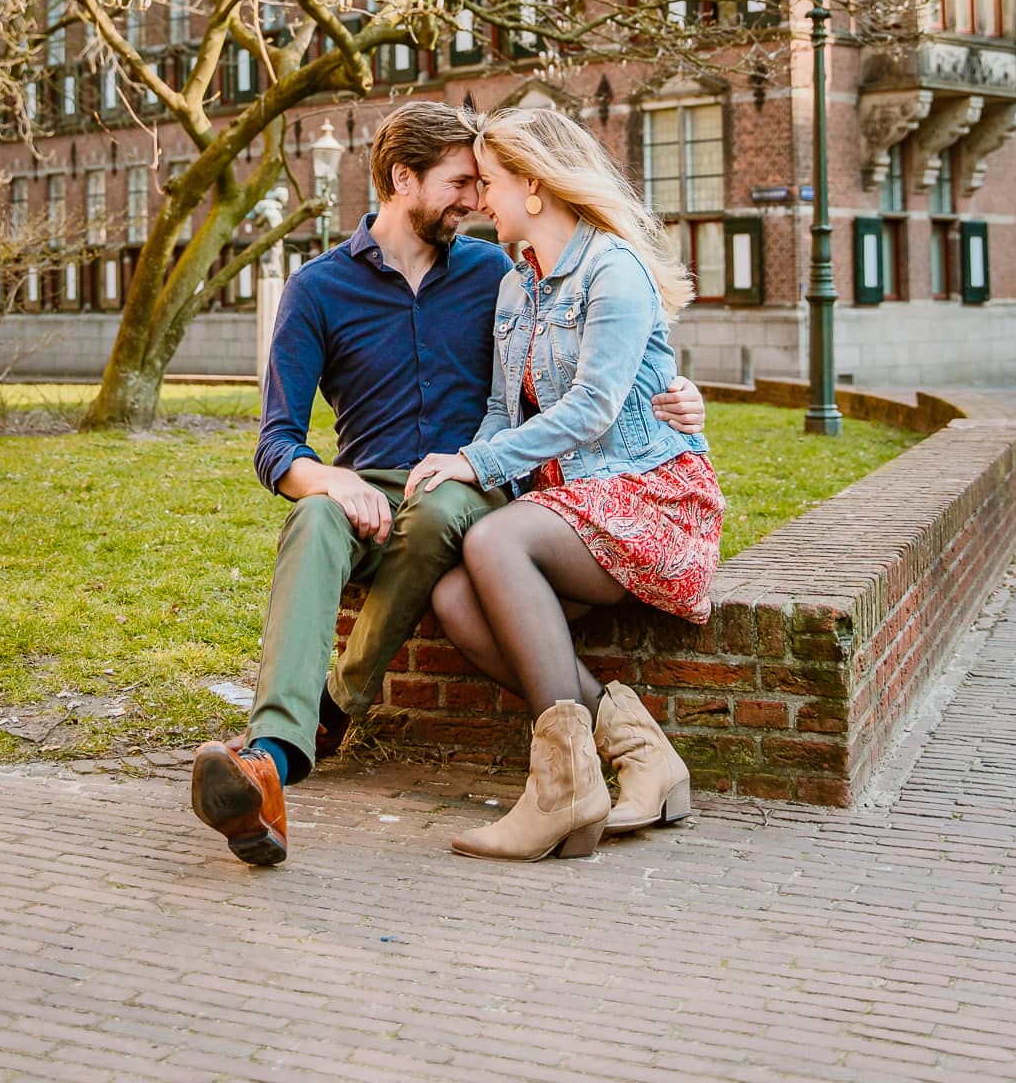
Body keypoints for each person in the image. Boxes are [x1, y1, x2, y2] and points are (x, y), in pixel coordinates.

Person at [190, 100, 707, 867]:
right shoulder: (320, 289)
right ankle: (270, 757)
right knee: (311, 523)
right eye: (461, 182)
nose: (474, 200)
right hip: (367, 483)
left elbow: (609, 371)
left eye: (483, 183)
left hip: (468, 486)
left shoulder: (498, 270)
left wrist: (686, 400)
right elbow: (275, 442)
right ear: (402, 178)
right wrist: (327, 481)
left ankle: (337, 709)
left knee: (436, 513)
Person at [407, 105, 725, 864]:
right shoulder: (518, 286)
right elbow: (495, 408)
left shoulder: (612, 269)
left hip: (647, 496)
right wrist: (465, 460)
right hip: (573, 506)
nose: (479, 199)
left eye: (489, 182)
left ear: (536, 187)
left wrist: (479, 467)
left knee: (494, 538)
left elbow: (593, 408)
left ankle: (560, 790)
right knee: (453, 597)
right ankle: (639, 756)